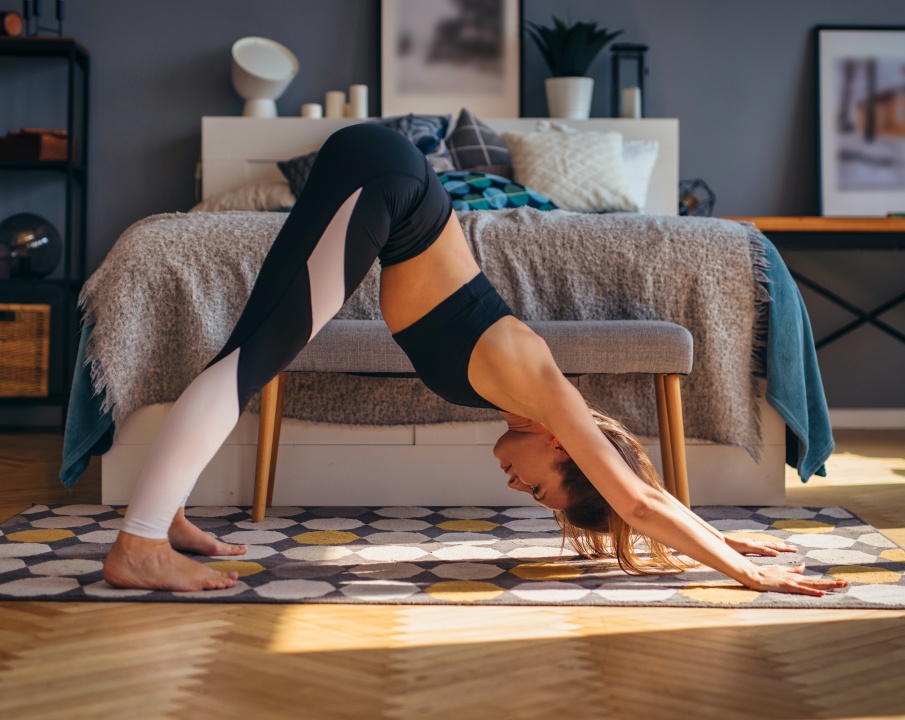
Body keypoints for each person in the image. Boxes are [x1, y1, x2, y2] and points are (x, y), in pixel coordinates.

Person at [102, 124, 848, 597]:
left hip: (387, 182)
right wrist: (743, 570)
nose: (517, 486)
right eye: (542, 489)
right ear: (563, 449)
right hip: (384, 178)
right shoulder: (542, 388)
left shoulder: (527, 399)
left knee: (249, 356)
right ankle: (137, 545)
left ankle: (162, 523)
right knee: (248, 362)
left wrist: (718, 535)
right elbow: (638, 503)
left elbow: (638, 499)